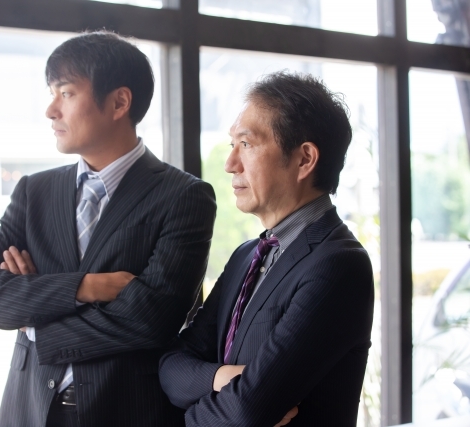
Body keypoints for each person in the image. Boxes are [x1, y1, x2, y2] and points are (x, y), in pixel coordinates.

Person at [0, 31, 216, 427]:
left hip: (126, 412)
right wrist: (87, 287)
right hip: (29, 411)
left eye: (66, 93)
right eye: (52, 93)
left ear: (119, 102)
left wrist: (35, 324)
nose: (51, 110)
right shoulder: (35, 191)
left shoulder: (184, 196)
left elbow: (152, 319)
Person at [158, 71, 375, 426]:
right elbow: (171, 367)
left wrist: (195, 408)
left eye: (246, 144)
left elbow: (249, 411)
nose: (230, 164)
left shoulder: (338, 264)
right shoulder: (246, 255)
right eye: (233, 145)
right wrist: (221, 378)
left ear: (304, 159)